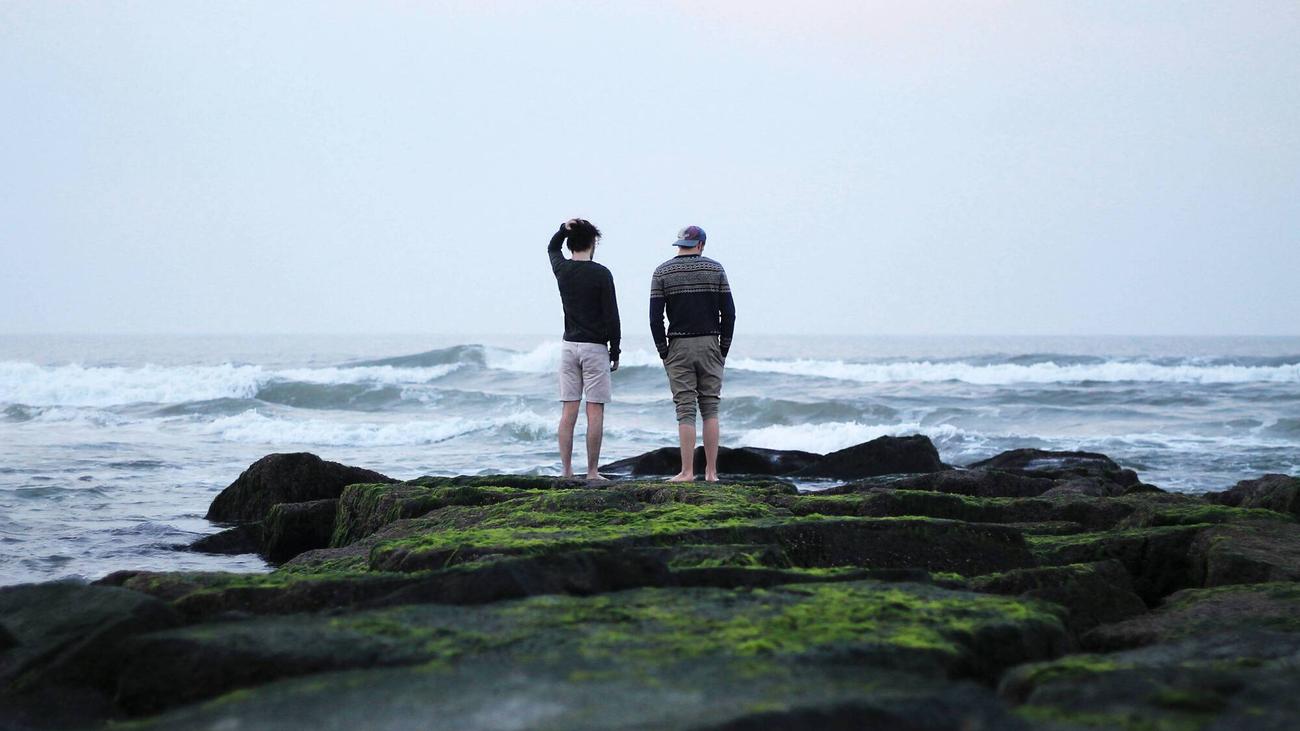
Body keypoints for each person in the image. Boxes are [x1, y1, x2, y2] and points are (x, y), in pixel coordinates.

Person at [649, 225, 736, 482]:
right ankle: (711, 472)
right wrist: (723, 347)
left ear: (680, 244)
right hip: (710, 342)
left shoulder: (662, 271)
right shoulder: (715, 269)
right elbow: (729, 313)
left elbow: (655, 318)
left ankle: (687, 472)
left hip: (678, 344)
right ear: (701, 245)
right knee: (710, 407)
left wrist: (663, 351)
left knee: (685, 409)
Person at [548, 218, 621, 480]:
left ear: (570, 244)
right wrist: (616, 350)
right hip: (594, 348)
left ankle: (566, 471)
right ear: (593, 243)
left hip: (569, 347)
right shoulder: (602, 273)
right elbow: (611, 315)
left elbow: (551, 249)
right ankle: (592, 471)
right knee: (594, 410)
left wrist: (562, 230)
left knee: (568, 411)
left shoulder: (562, 270)